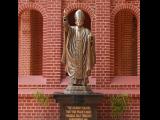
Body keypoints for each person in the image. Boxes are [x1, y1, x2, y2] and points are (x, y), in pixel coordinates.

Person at [61, 9, 96, 86]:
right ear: (75, 20)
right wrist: (65, 18)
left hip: (83, 55)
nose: (79, 21)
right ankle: (74, 82)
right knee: (74, 70)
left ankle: (83, 82)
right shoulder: (72, 29)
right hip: (74, 55)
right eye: (78, 19)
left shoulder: (87, 31)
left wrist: (91, 39)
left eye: (81, 20)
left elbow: (91, 43)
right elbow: (66, 27)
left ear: (83, 20)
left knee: (83, 69)